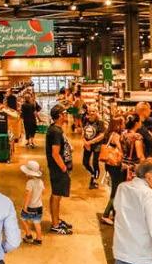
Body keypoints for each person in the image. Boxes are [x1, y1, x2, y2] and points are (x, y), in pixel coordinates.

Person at [45, 105, 74, 235]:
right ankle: (55, 225)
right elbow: (55, 153)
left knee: (56, 194)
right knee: (56, 196)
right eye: (64, 113)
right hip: (58, 169)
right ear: (59, 116)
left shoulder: (55, 129)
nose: (66, 115)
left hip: (57, 168)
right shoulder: (55, 132)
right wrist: (63, 168)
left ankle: (56, 220)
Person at [100, 117, 127, 225]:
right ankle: (106, 215)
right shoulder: (115, 135)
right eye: (123, 123)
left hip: (110, 164)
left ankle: (115, 214)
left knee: (115, 189)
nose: (124, 125)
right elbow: (121, 150)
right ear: (118, 125)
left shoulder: (109, 133)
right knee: (116, 191)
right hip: (115, 165)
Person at [18, 160, 45, 245]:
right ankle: (39, 239)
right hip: (39, 206)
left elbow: (28, 195)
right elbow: (41, 193)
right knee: (37, 223)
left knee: (23, 219)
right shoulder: (41, 182)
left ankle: (28, 235)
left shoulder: (30, 183)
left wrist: (25, 206)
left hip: (30, 206)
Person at [81, 105, 105, 189]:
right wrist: (85, 142)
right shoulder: (85, 120)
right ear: (88, 112)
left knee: (95, 163)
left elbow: (102, 135)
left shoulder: (100, 122)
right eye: (90, 111)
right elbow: (83, 131)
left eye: (94, 111)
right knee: (85, 162)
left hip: (96, 145)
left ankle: (94, 179)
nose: (92, 113)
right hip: (87, 144)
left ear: (96, 112)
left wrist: (90, 142)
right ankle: (92, 173)